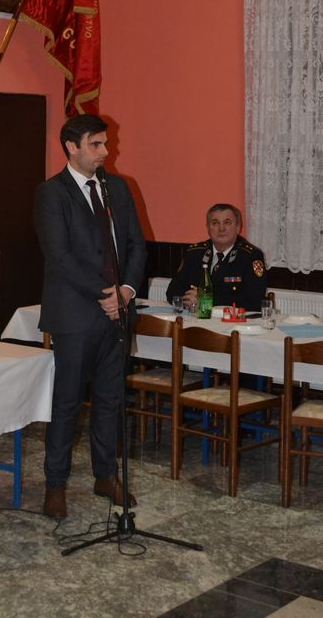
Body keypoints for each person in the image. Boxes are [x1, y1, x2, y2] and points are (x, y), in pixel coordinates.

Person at [34, 114, 146, 519]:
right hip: (75, 315)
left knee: (110, 400)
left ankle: (106, 475)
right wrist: (105, 295)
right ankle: (55, 484)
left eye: (105, 143)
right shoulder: (52, 193)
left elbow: (136, 244)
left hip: (116, 313)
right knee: (67, 402)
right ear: (72, 146)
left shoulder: (118, 187)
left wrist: (126, 292)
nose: (105, 151)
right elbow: (59, 256)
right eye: (96, 144)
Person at [166, 203, 267, 311]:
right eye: (215, 223)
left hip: (230, 319)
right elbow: (172, 292)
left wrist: (206, 299)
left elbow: (255, 300)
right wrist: (189, 301)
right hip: (195, 316)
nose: (221, 228)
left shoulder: (251, 256)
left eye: (227, 223)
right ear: (208, 228)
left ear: (238, 227)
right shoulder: (194, 253)